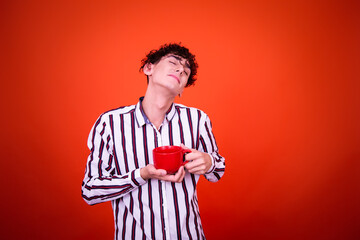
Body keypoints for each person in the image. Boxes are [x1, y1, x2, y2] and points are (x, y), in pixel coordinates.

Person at [81, 43, 225, 240]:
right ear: (148, 68)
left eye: (185, 71)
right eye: (173, 62)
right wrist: (141, 174)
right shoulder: (110, 123)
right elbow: (90, 190)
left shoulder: (198, 120)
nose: (180, 69)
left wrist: (209, 162)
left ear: (183, 87)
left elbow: (217, 172)